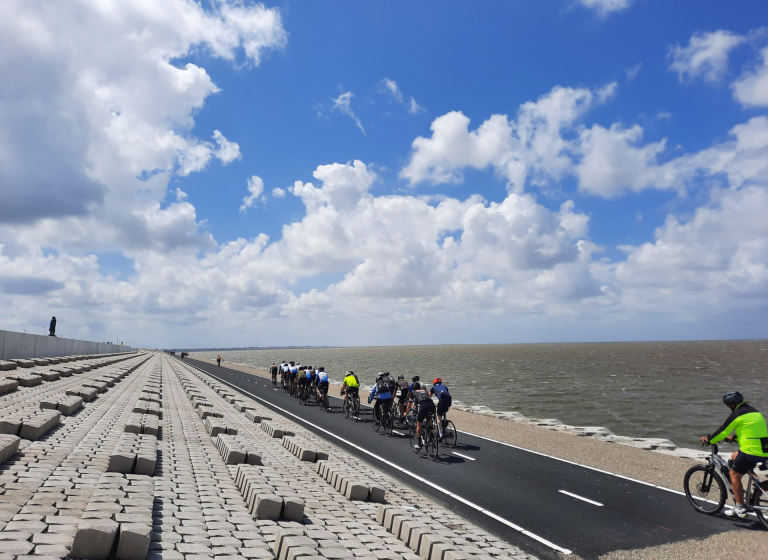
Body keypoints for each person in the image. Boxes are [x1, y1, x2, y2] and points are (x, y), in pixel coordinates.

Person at [700, 391, 768, 518]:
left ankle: (740, 508)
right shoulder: (755, 412)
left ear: (731, 404)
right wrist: (735, 438)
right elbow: (753, 431)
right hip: (764, 450)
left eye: (727, 405)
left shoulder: (737, 414)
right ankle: (755, 481)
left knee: (734, 475)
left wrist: (709, 441)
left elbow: (723, 431)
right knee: (734, 456)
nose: (728, 408)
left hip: (750, 452)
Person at [408, 382, 436, 450]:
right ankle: (430, 432)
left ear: (413, 389)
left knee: (419, 423)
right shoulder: (425, 391)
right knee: (428, 418)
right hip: (432, 405)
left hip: (423, 406)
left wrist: (406, 412)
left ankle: (419, 444)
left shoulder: (413, 393)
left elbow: (409, 405)